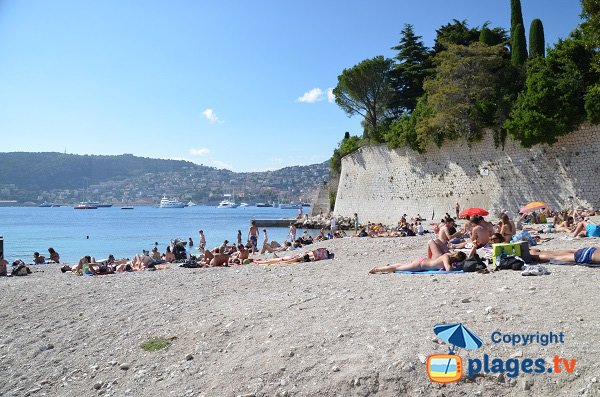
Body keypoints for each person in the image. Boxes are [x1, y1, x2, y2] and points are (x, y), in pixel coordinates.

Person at [369, 251, 467, 274]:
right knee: (397, 268)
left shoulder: (447, 254)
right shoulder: (446, 258)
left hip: (422, 261)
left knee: (401, 265)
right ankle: (377, 269)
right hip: (419, 265)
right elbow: (449, 270)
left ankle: (387, 266)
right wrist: (458, 268)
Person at [529, 247, 600, 265]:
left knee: (556, 253)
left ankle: (537, 252)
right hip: (587, 256)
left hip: (593, 250)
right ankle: (533, 255)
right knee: (555, 257)